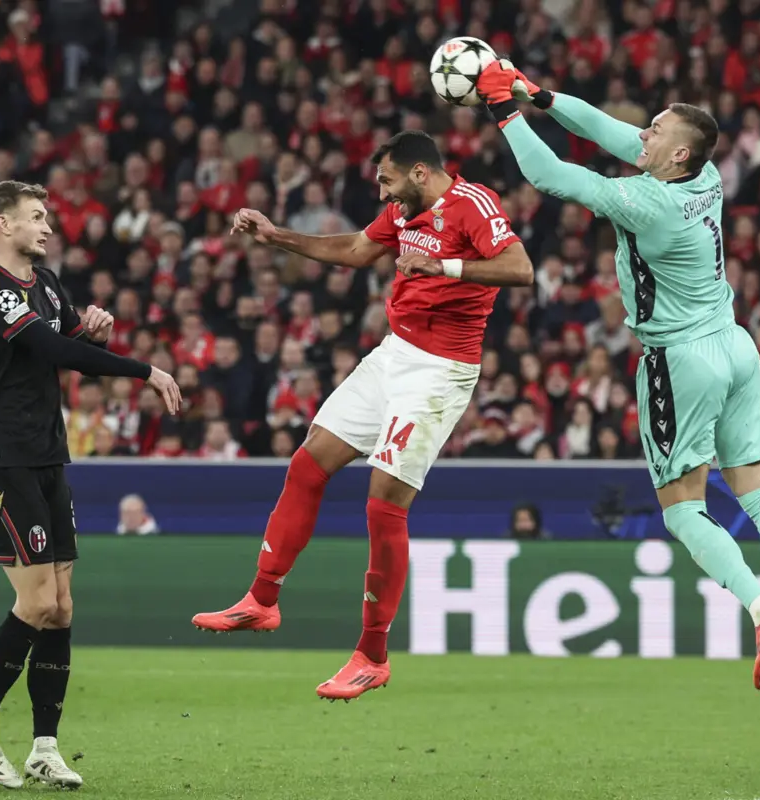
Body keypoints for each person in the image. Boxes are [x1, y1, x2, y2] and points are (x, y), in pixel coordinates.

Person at [475, 62, 760, 697]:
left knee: (683, 508)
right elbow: (611, 132)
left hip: (682, 359)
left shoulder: (648, 202)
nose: (640, 135)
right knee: (758, 492)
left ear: (674, 154)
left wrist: (504, 113)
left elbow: (550, 176)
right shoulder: (707, 175)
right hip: (735, 345)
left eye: (655, 131)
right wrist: (541, 97)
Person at [191, 131, 533, 700]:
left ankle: (372, 655)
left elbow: (520, 268)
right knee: (308, 463)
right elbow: (354, 251)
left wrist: (444, 266)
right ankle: (262, 600)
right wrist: (275, 236)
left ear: (421, 172)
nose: (382, 193)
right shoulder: (404, 211)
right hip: (394, 353)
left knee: (383, 504)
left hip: (441, 370)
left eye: (388, 180)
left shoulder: (473, 204)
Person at [0, 180, 181, 788]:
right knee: (39, 602)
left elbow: (66, 339)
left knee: (62, 609)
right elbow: (49, 346)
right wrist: (144, 369)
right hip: (4, 459)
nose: (48, 227)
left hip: (48, 454)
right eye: (36, 217)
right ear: (2, 225)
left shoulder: (47, 285)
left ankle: (45, 748)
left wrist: (92, 332)